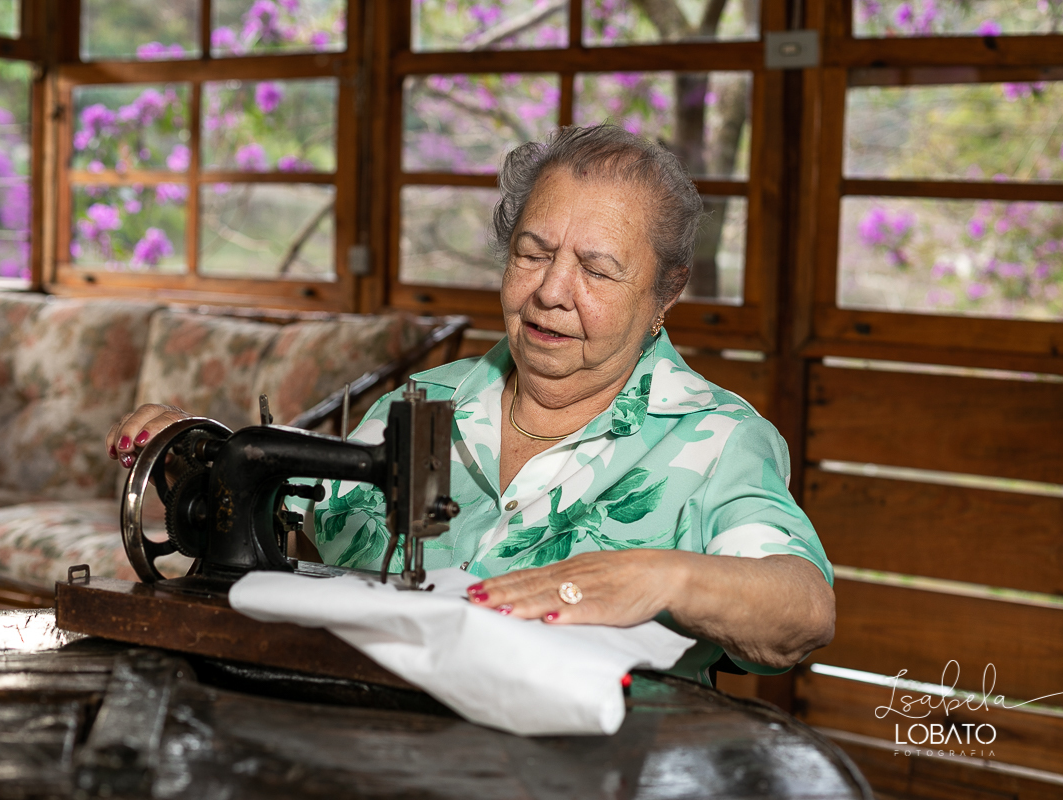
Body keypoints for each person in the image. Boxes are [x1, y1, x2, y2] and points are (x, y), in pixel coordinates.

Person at [106, 124, 834, 682]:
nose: (552, 291)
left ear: (664, 296)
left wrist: (661, 575)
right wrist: (203, 477)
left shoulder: (714, 440)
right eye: (533, 252)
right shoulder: (427, 400)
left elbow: (802, 609)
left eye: (598, 270)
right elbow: (294, 535)